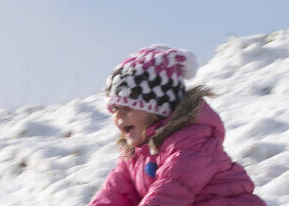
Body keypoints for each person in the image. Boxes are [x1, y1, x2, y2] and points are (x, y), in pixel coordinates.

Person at [89, 45, 265, 206]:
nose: (118, 115)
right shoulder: (133, 157)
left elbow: (170, 192)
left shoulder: (190, 143)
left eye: (127, 108)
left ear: (157, 109)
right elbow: (114, 194)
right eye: (114, 108)